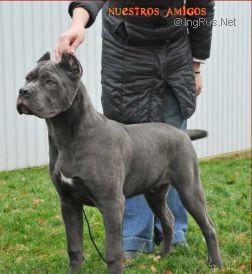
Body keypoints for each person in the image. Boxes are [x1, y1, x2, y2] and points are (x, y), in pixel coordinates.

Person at [55, 0, 215, 259]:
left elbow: (201, 7)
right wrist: (78, 23)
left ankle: (175, 234)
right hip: (125, 55)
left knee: (173, 145)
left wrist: (196, 64)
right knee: (126, 149)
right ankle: (135, 237)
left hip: (173, 53)